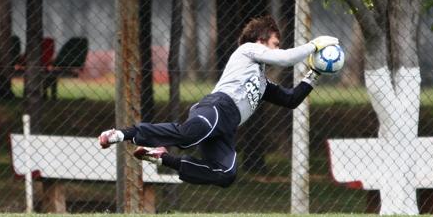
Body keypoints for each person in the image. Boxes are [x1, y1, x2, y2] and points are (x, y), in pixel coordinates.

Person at [98, 15, 337, 188]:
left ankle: (162, 157)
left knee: (226, 174)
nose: (278, 48)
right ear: (261, 39)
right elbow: (285, 59)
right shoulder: (247, 50)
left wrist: (314, 73)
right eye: (275, 43)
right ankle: (122, 134)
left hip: (227, 127)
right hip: (216, 107)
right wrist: (314, 45)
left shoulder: (261, 82)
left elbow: (291, 99)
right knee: (186, 136)